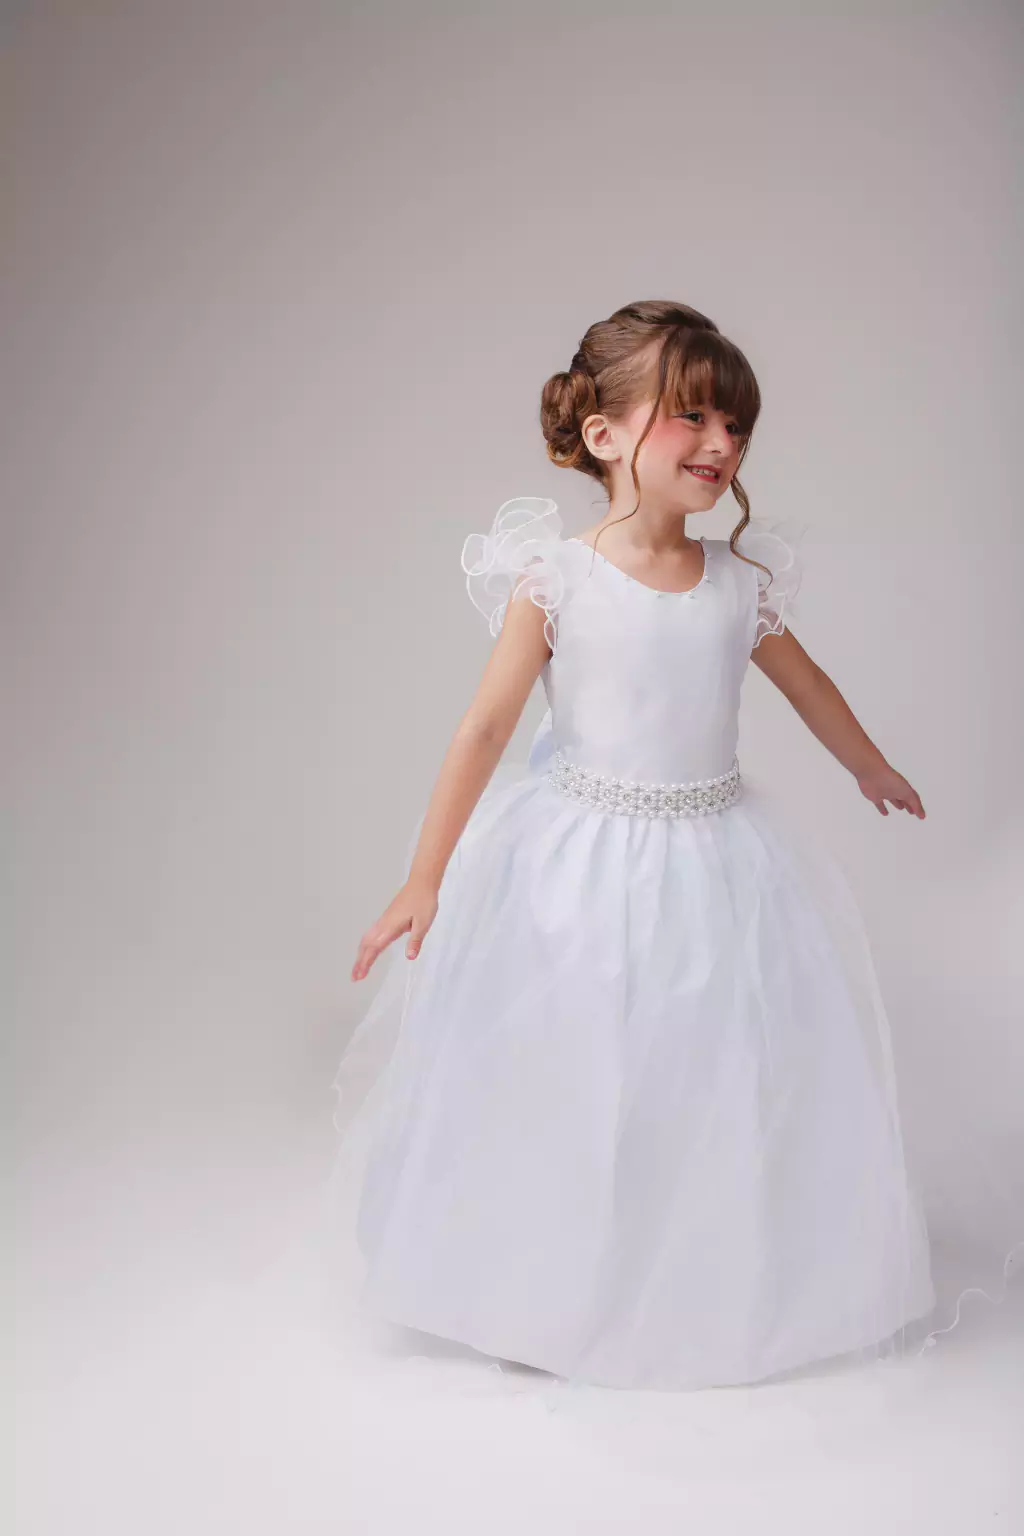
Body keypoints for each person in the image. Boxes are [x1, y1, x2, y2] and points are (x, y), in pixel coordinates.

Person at [330, 300, 1019, 1392]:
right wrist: (425, 877)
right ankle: (547, 1283)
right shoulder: (558, 578)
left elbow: (808, 686)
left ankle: (697, 1274)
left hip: (717, 861)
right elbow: (486, 728)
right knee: (573, 1064)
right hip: (575, 866)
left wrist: (869, 765)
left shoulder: (739, 585)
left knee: (709, 1068)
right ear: (603, 434)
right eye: (692, 415)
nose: (720, 443)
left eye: (735, 425)